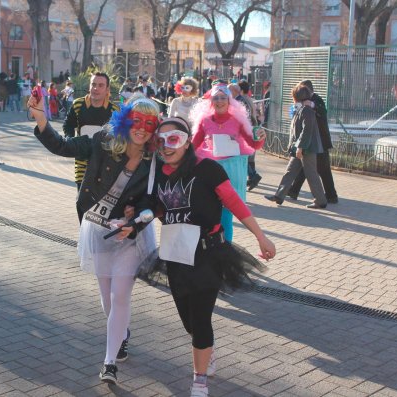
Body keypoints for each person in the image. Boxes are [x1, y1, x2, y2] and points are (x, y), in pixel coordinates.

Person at [136, 117, 275, 397]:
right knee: (188, 321)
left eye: (173, 139)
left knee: (200, 321)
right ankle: (205, 348)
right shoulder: (157, 174)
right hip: (175, 255)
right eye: (160, 141)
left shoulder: (208, 169)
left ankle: (199, 378)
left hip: (208, 254)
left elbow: (234, 202)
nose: (166, 146)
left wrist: (261, 236)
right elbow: (157, 208)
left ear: (188, 141)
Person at [29, 93, 160, 385]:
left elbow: (153, 202)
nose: (142, 128)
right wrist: (41, 119)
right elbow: (64, 145)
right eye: (137, 121)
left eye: (149, 124)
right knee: (107, 299)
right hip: (97, 229)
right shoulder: (103, 140)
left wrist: (136, 219)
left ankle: (110, 362)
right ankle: (121, 333)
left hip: (129, 234)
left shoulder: (153, 159)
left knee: (120, 295)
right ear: (126, 120)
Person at [191, 81, 265, 242]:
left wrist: (260, 138)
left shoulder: (236, 120)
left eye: (223, 98)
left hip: (230, 172)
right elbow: (194, 145)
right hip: (210, 171)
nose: (219, 101)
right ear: (211, 101)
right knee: (210, 212)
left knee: (226, 215)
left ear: (229, 100)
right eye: (215, 98)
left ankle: (226, 248)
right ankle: (210, 247)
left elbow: (253, 144)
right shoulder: (205, 121)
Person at [265, 83, 327, 209]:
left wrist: (300, 147)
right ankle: (279, 195)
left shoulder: (306, 110)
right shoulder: (302, 109)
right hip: (301, 147)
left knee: (311, 174)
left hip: (306, 148)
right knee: (290, 171)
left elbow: (307, 130)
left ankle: (320, 200)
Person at [62, 72, 119, 190]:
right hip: (82, 164)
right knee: (82, 203)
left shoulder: (114, 110)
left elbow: (119, 136)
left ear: (107, 89)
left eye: (100, 85)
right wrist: (71, 141)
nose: (95, 88)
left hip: (105, 166)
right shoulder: (78, 105)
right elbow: (68, 125)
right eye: (93, 84)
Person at [287, 80, 338, 203]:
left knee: (323, 169)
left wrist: (313, 105)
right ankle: (293, 190)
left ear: (308, 91)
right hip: (310, 142)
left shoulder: (316, 100)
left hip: (320, 141)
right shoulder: (302, 101)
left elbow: (323, 112)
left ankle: (331, 195)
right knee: (303, 167)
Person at [238, 79, 263, 191]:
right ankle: (252, 177)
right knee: (249, 157)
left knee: (242, 156)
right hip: (253, 127)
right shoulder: (250, 100)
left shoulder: (242, 100)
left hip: (248, 128)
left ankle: (253, 176)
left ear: (241, 90)